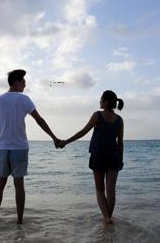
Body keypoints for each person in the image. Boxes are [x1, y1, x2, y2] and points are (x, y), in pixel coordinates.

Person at [0, 69, 60, 225]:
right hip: (19, 148)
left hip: (1, 148)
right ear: (16, 82)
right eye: (23, 81)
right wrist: (54, 137)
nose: (25, 84)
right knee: (19, 185)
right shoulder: (24, 99)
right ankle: (19, 221)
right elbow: (39, 120)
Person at [60, 90, 124, 225]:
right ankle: (109, 218)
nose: (99, 102)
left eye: (101, 99)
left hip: (98, 156)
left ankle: (106, 218)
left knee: (100, 190)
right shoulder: (119, 120)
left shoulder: (97, 115)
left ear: (106, 102)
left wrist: (65, 141)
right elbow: (120, 142)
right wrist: (121, 160)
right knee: (111, 190)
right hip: (114, 157)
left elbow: (83, 132)